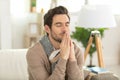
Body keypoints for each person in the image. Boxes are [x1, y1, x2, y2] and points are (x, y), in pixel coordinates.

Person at [26, 6, 84, 80]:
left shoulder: (76, 51)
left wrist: (72, 58)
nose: (65, 29)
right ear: (47, 29)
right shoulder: (34, 53)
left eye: (67, 24)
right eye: (59, 25)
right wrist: (63, 58)